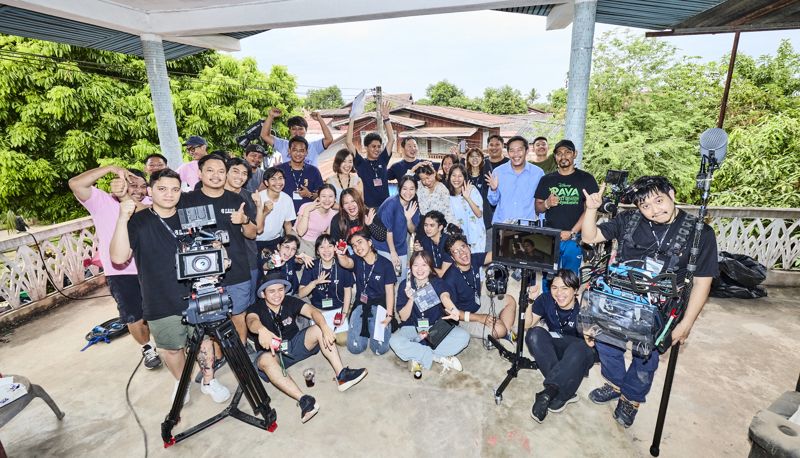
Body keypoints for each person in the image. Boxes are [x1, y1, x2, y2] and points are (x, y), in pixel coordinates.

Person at [581, 175, 718, 427]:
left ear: (672, 194)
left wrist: (686, 323)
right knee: (607, 344)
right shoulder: (627, 220)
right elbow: (590, 238)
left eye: (659, 201)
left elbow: (702, 282)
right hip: (619, 298)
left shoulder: (700, 233)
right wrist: (591, 210)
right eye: (646, 206)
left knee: (646, 357)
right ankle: (614, 383)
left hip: (661, 307)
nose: (654, 210)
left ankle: (631, 397)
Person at [110, 169, 231, 404]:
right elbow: (118, 256)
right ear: (150, 190)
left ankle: (208, 380)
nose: (169, 194)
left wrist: (220, 254)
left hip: (199, 292)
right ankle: (181, 381)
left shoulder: (192, 216)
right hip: (159, 298)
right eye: (162, 189)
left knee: (204, 341)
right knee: (171, 348)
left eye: (175, 189)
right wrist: (122, 217)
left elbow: (211, 244)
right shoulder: (138, 221)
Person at [69, 165, 161, 369]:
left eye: (142, 186)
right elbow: (75, 183)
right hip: (121, 272)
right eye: (132, 184)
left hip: (152, 268)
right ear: (119, 185)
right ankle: (147, 348)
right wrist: (111, 168)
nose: (138, 189)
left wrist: (128, 199)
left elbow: (155, 214)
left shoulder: (149, 202)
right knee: (133, 315)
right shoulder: (101, 201)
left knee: (162, 310)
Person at [246, 271, 367, 423]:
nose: (277, 295)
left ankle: (342, 375)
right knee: (264, 361)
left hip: (295, 345)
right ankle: (305, 400)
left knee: (318, 329)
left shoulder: (289, 301)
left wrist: (324, 327)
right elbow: (251, 321)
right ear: (263, 294)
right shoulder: (255, 308)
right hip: (273, 354)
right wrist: (261, 330)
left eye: (280, 289)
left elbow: (312, 311)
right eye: (271, 291)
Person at [181, 154, 258, 345]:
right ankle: (217, 356)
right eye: (210, 170)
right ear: (200, 173)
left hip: (237, 270)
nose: (216, 175)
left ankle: (240, 355)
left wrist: (245, 221)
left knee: (238, 316)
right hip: (201, 275)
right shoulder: (187, 200)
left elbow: (252, 234)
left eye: (221, 171)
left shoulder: (236, 200)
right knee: (209, 321)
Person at [524, 270, 595, 423]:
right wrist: (529, 302)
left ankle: (548, 392)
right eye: (554, 288)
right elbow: (527, 325)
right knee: (533, 334)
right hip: (556, 347)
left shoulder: (585, 306)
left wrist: (589, 324)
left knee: (580, 348)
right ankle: (563, 392)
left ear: (575, 290)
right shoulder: (546, 299)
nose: (559, 293)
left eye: (565, 288)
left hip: (580, 353)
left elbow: (592, 343)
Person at [389, 251, 470, 377]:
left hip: (434, 328)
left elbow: (445, 296)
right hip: (412, 328)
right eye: (416, 265)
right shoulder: (405, 285)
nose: (420, 269)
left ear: (430, 267)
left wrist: (453, 310)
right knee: (394, 341)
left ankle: (416, 353)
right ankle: (437, 357)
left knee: (464, 337)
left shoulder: (437, 283)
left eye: (424, 265)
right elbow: (403, 317)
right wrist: (411, 298)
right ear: (410, 267)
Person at [534, 139, 599, 283]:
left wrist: (572, 232)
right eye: (559, 153)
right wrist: (546, 203)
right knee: (548, 280)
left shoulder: (586, 179)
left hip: (574, 240)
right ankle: (548, 305)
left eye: (567, 152)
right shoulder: (546, 180)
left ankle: (568, 305)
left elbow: (590, 210)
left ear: (575, 154)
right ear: (555, 157)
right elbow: (537, 208)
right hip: (549, 238)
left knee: (570, 279)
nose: (563, 156)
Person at [441, 233, 516, 338]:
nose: (462, 253)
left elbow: (494, 254)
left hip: (478, 303)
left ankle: (505, 334)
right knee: (499, 329)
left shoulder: (473, 259)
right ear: (452, 258)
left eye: (463, 247)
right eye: (456, 251)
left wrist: (509, 241)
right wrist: (480, 318)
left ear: (469, 247)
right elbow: (453, 312)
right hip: (464, 318)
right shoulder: (450, 279)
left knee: (510, 300)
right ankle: (501, 332)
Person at [336, 228, 396, 355]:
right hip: (360, 303)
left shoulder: (386, 264)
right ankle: (367, 325)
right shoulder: (357, 260)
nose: (357, 247)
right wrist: (341, 254)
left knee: (380, 349)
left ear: (369, 242)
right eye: (354, 245)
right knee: (355, 348)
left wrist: (389, 315)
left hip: (380, 305)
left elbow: (390, 292)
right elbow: (346, 263)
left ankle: (374, 325)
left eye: (360, 242)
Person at [225, 157, 264, 318]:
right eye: (235, 171)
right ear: (225, 172)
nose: (239, 177)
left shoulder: (249, 196)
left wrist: (259, 207)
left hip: (248, 258)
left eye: (244, 174)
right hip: (222, 261)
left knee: (248, 304)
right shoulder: (213, 195)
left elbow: (258, 230)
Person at [486, 136, 544, 224]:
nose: (515, 154)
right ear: (508, 153)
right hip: (502, 225)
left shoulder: (538, 173)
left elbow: (541, 202)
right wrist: (494, 190)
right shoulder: (498, 172)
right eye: (512, 150)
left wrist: (542, 226)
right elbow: (493, 202)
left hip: (527, 226)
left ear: (527, 151)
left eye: (519, 150)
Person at [347, 102, 395, 209]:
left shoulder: (383, 159)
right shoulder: (360, 163)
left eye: (379, 146)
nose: (377, 149)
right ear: (366, 147)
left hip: (386, 207)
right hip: (368, 209)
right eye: (373, 146)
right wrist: (351, 120)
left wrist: (386, 119)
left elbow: (391, 140)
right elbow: (349, 143)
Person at [373, 175, 420, 282]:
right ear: (399, 189)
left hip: (400, 246)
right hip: (384, 247)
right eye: (405, 188)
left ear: (416, 190)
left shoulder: (413, 205)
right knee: (388, 279)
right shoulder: (391, 203)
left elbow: (412, 230)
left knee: (401, 278)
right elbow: (388, 231)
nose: (408, 192)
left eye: (412, 189)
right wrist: (393, 253)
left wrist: (408, 219)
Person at [298, 234, 355, 321]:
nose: (326, 250)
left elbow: (347, 291)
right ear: (317, 251)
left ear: (335, 248)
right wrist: (314, 283)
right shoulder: (311, 265)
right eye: (322, 247)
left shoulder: (342, 264)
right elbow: (301, 294)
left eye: (330, 246)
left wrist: (344, 313)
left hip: (339, 309)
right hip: (317, 309)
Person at [259, 109, 334, 167]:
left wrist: (320, 119)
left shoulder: (314, 146)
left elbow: (329, 139)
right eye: (294, 129)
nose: (297, 132)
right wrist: (271, 116)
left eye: (300, 129)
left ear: (306, 130)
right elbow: (265, 135)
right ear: (290, 130)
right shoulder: (283, 145)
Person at [277, 136, 324, 213]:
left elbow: (322, 196)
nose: (298, 153)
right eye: (295, 150)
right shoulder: (279, 170)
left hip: (307, 217)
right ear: (289, 151)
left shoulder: (314, 171)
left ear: (306, 152)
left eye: (301, 150)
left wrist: (309, 194)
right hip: (283, 217)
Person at [255, 167, 296, 253]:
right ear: (266, 182)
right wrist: (264, 211)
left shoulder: (287, 199)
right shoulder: (258, 198)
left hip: (275, 241)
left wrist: (289, 244)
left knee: (276, 265)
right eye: (273, 179)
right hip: (255, 241)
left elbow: (287, 224)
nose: (278, 182)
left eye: (280, 178)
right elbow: (254, 226)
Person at [447, 164, 485, 253]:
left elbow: (479, 214)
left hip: (476, 238)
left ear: (464, 177)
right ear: (449, 177)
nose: (456, 179)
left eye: (460, 176)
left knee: (475, 264)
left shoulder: (472, 190)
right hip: (458, 239)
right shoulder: (447, 195)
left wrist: (467, 198)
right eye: (454, 175)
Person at [294, 184, 337, 257]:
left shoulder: (333, 214)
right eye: (323, 196)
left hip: (314, 243)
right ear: (318, 198)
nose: (327, 200)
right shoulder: (306, 206)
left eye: (330, 196)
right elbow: (300, 233)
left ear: (335, 199)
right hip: (297, 240)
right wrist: (307, 210)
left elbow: (327, 236)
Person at [412, 210, 452, 277]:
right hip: (432, 277)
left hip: (450, 279)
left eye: (432, 225)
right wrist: (419, 253)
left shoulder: (448, 242)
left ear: (440, 227)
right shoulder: (424, 240)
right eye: (426, 225)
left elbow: (442, 273)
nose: (428, 229)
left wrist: (423, 267)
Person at [464, 147, 493, 228]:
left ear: (482, 158)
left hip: (484, 214)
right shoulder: (465, 175)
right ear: (468, 159)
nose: (475, 158)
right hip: (468, 214)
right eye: (472, 156)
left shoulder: (486, 175)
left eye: (478, 156)